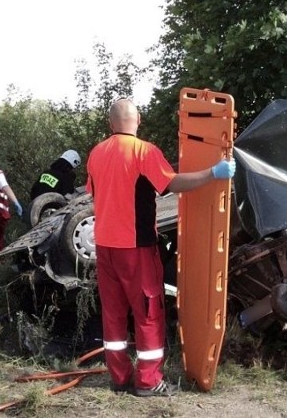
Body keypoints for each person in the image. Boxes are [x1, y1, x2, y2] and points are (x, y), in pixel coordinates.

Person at [86, 98, 235, 397]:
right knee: (148, 312)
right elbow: (173, 184)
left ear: (109, 123)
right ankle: (148, 380)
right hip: (136, 247)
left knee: (113, 314)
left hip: (104, 246)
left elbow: (96, 190)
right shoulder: (144, 151)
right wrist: (212, 173)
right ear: (138, 119)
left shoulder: (96, 153)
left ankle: (119, 377)